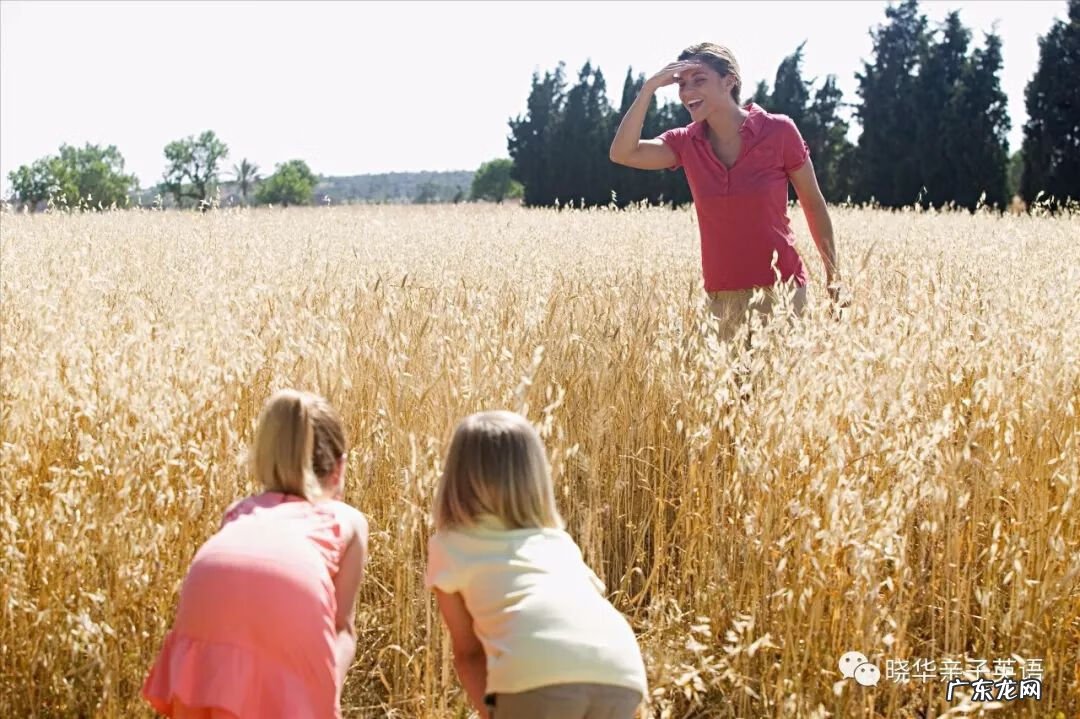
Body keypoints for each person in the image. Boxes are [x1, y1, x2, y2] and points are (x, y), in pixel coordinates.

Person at [142, 389, 369, 719]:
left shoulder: (238, 511)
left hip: (209, 576)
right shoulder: (347, 520)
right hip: (292, 590)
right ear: (339, 467)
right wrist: (318, 696)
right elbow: (342, 629)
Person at [610, 42, 843, 344]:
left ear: (729, 81)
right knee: (734, 393)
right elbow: (622, 153)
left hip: (783, 290)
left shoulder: (779, 131)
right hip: (721, 295)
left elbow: (813, 203)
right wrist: (648, 89)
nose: (687, 91)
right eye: (681, 84)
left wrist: (833, 276)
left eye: (699, 80)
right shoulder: (685, 143)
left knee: (779, 390)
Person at [426, 410, 647, 719]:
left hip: (536, 673)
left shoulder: (449, 546)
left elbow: (469, 654)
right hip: (621, 666)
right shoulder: (557, 541)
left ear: (455, 477)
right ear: (535, 477)